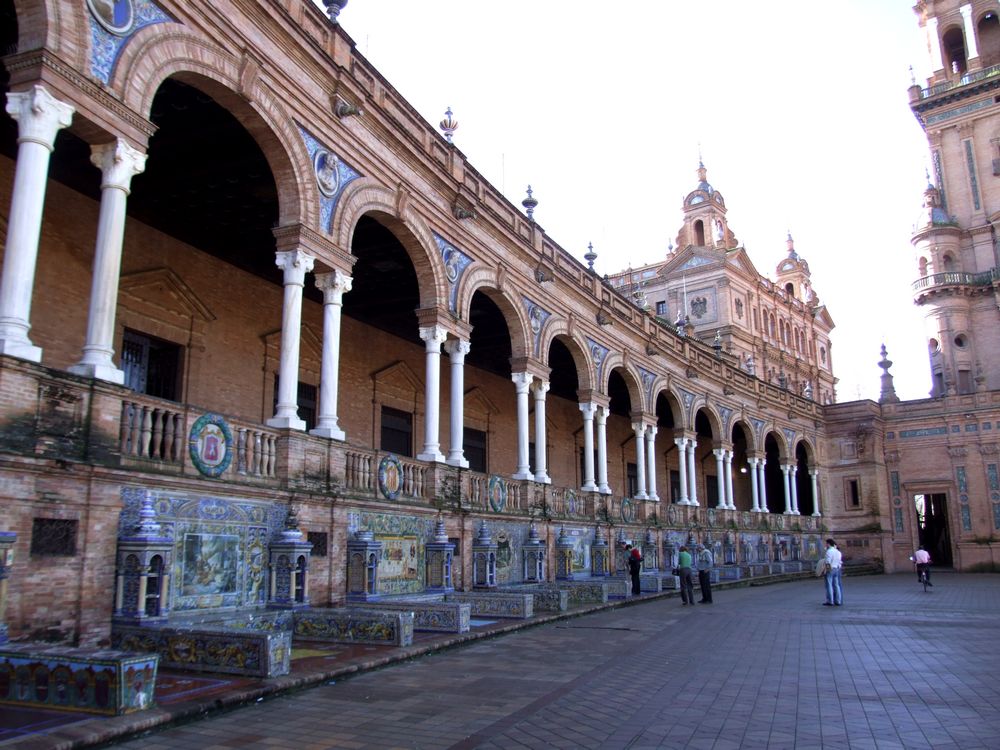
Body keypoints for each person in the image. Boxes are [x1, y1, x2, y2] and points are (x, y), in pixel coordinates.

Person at [823, 538, 843, 606]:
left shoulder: (829, 551)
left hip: (830, 569)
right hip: (837, 568)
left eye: (826, 544)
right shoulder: (838, 552)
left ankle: (830, 601)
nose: (826, 545)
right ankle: (838, 601)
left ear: (828, 544)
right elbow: (840, 562)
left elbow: (827, 562)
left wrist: (827, 570)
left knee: (829, 585)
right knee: (836, 585)